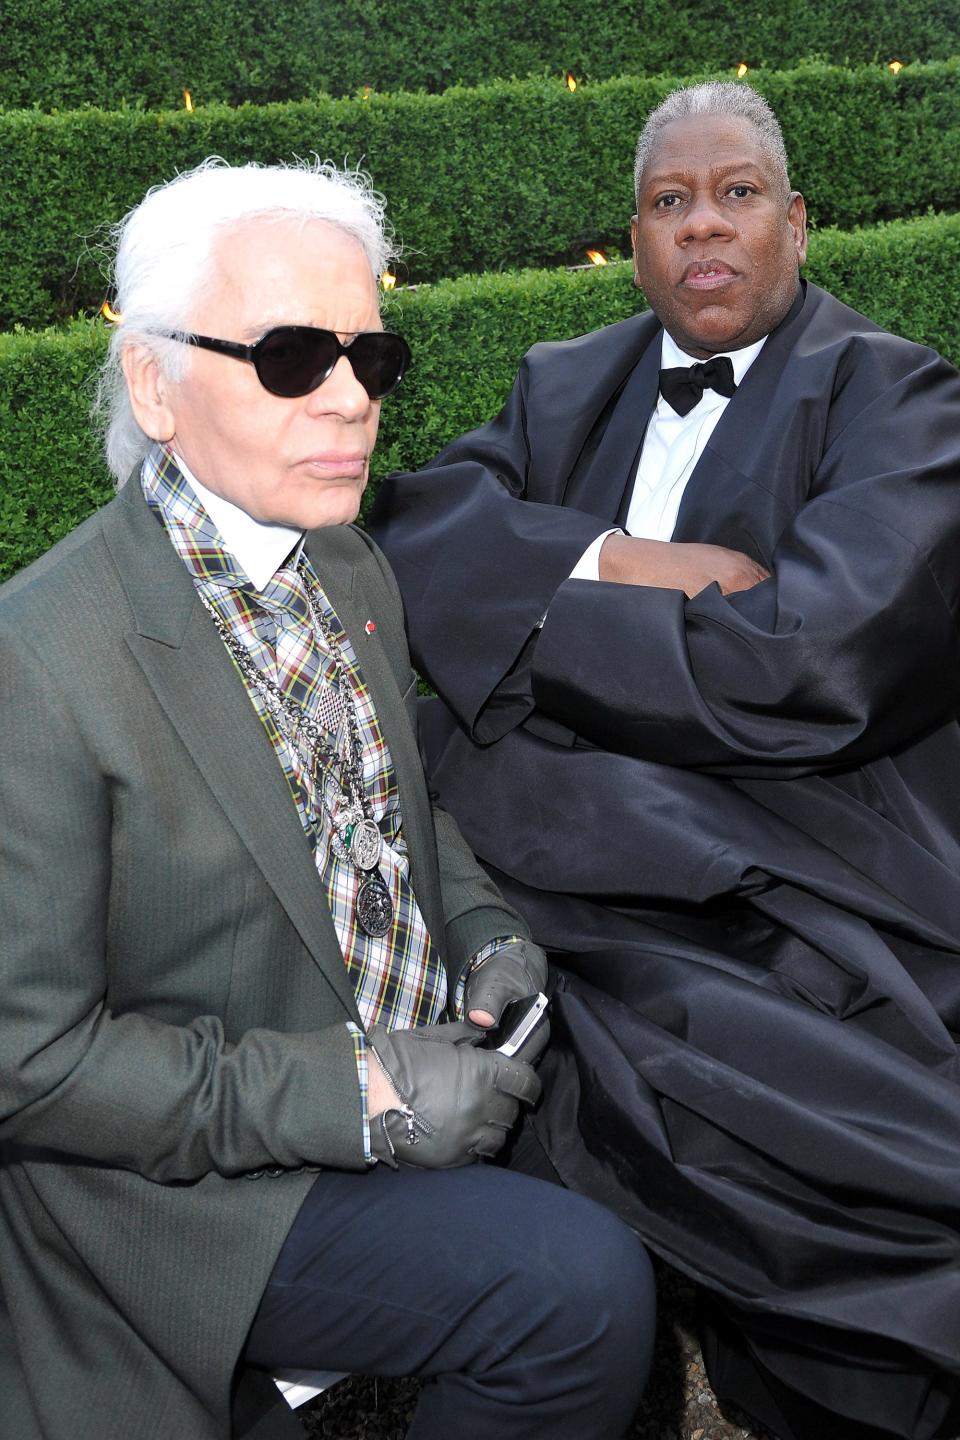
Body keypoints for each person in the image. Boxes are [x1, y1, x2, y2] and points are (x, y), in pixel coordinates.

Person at [0, 158, 656, 1440]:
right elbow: (31, 1064)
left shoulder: (349, 560)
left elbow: (396, 812)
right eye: (294, 355)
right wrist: (363, 1096)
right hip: (187, 1189)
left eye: (372, 353)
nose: (352, 399)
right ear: (155, 384)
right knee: (577, 1296)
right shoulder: (38, 657)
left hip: (409, 1059)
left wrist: (488, 936)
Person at [369, 82, 960, 1440]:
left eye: (738, 193)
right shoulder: (562, 381)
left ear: (797, 225)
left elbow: (805, 671)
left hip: (803, 870)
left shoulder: (899, 394)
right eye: (669, 201)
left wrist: (529, 612)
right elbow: (407, 530)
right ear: (631, 239)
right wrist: (632, 565)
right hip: (557, 870)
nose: (705, 225)